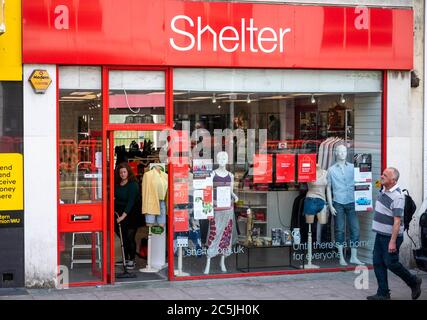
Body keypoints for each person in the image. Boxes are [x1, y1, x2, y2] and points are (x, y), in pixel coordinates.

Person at [367, 167, 422, 300]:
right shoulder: (383, 188)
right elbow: (377, 183)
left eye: (385, 175)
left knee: (391, 263)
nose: (381, 176)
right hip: (380, 234)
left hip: (391, 237)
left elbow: (397, 222)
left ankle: (413, 281)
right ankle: (383, 293)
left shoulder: (398, 197)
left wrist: (392, 241)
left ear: (393, 180)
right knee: (378, 262)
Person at [326, 144, 364, 266]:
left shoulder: (353, 167)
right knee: (340, 230)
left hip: (352, 202)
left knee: (355, 229)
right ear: (336, 153)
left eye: (344, 151)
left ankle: (353, 256)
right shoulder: (331, 170)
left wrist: (362, 201)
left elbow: (361, 181)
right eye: (340, 151)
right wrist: (330, 205)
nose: (342, 153)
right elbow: (328, 188)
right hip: (338, 202)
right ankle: (341, 256)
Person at [204, 151, 239, 274]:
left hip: (227, 209)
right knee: (214, 233)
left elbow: (230, 191)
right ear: (217, 160)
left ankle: (222, 261)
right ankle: (208, 260)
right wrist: (210, 202)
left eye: (225, 157)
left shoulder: (231, 175)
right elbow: (208, 190)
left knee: (226, 235)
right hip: (216, 209)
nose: (223, 159)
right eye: (220, 157)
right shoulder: (212, 174)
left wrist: (235, 196)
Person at [114, 162, 140, 269]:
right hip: (119, 214)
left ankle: (132, 259)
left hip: (131, 214)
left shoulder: (133, 184)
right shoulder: (117, 184)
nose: (122, 174)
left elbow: (130, 202)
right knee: (123, 237)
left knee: (130, 237)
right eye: (121, 172)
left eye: (124, 172)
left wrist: (123, 216)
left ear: (128, 172)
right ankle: (125, 258)